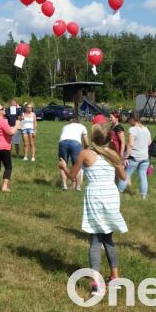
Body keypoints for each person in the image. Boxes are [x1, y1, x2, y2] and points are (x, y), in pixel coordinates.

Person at [58, 123, 128, 296]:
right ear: (110, 138)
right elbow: (124, 177)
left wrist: (63, 167)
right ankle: (115, 278)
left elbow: (72, 177)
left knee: (95, 240)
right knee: (108, 238)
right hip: (111, 196)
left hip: (95, 196)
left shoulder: (85, 154)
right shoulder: (113, 154)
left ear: (92, 137)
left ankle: (96, 284)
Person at [117, 112, 152, 199]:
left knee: (126, 175)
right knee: (143, 177)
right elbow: (149, 143)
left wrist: (126, 157)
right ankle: (143, 197)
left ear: (133, 119)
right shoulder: (146, 129)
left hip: (134, 157)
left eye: (129, 119)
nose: (128, 121)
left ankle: (118, 194)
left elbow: (130, 145)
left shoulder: (132, 129)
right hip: (145, 158)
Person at [0, 103, 20, 193]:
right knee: (8, 167)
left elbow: (6, 129)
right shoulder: (1, 120)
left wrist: (13, 126)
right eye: (2, 109)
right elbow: (11, 132)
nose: (4, 110)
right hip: (3, 146)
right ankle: (4, 187)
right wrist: (17, 124)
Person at [58, 116, 90, 191]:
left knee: (63, 163)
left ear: (71, 121)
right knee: (77, 165)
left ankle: (64, 185)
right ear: (79, 121)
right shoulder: (82, 126)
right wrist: (85, 150)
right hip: (75, 143)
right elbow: (87, 143)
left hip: (62, 142)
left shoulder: (65, 126)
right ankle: (78, 186)